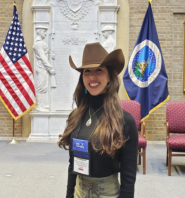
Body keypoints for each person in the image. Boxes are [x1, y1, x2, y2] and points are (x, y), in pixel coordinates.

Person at [58, 42, 138, 198]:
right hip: (79, 193)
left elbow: (129, 176)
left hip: (107, 194)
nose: (92, 76)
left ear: (109, 76)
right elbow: (73, 165)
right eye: (87, 71)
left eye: (99, 70)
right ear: (82, 78)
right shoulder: (75, 116)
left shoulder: (124, 121)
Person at [33, 26, 56, 111]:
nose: (45, 33)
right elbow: (43, 57)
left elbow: (46, 55)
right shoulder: (38, 44)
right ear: (39, 32)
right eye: (43, 32)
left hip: (44, 67)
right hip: (42, 67)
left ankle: (43, 104)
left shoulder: (42, 43)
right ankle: (39, 106)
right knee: (40, 86)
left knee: (44, 87)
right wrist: (50, 69)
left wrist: (51, 56)